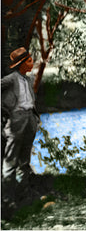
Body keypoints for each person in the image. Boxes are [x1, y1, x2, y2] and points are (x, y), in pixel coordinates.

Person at [1, 47, 40, 210]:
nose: (32, 63)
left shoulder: (28, 80)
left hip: (29, 119)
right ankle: (6, 199)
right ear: (22, 64)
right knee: (10, 161)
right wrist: (5, 111)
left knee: (24, 161)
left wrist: (35, 118)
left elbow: (30, 100)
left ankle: (23, 196)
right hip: (16, 121)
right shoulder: (11, 79)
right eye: (29, 60)